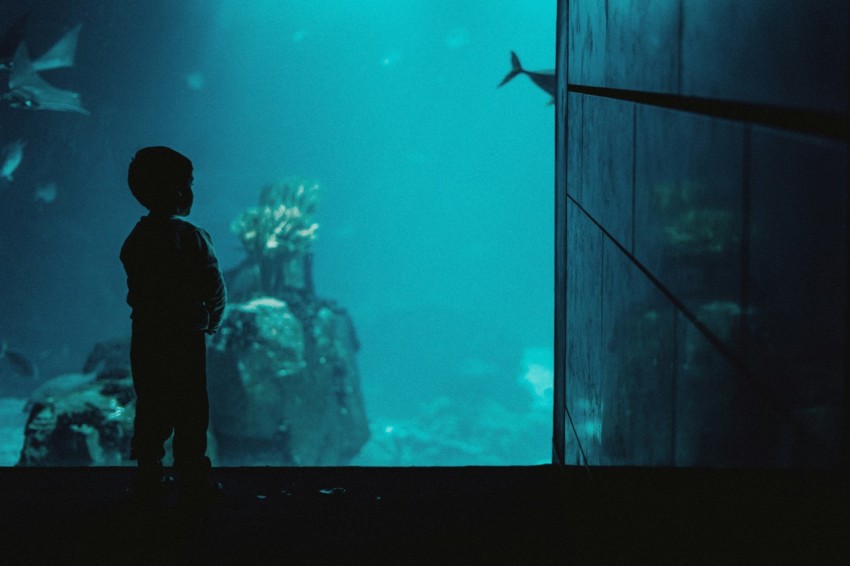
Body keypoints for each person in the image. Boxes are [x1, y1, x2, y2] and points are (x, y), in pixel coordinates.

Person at [120, 146, 227, 499]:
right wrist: (212, 320)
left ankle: (148, 472)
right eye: (189, 183)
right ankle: (192, 474)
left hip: (147, 335)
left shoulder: (136, 238)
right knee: (191, 406)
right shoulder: (193, 237)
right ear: (179, 191)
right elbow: (214, 285)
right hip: (186, 337)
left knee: (151, 402)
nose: (192, 190)